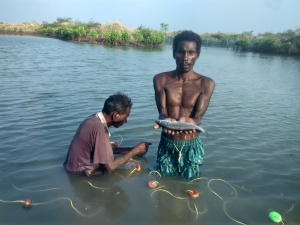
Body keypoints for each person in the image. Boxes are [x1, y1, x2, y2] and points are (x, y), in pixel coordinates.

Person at [153, 30, 215, 180]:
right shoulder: (160, 79)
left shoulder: (206, 83)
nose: (186, 58)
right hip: (167, 142)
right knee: (163, 183)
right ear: (174, 53)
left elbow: (198, 118)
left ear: (197, 55)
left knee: (190, 183)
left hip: (191, 144)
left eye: (191, 52)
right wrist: (166, 120)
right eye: (181, 52)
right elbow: (162, 113)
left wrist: (191, 122)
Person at [64, 92, 150, 177]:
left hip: (72, 169)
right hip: (80, 174)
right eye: (125, 117)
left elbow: (102, 151)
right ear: (115, 115)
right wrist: (136, 150)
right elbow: (110, 167)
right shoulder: (100, 128)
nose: (126, 121)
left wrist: (131, 149)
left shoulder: (93, 119)